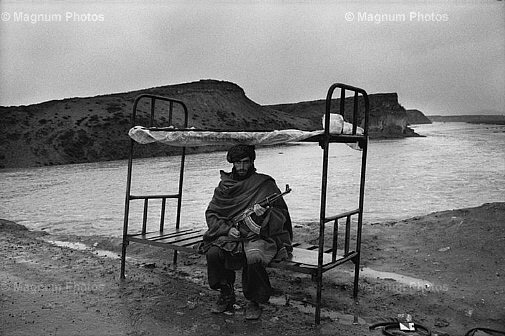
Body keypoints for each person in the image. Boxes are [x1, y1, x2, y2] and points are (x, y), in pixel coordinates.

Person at [200, 144, 293, 320]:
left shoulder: (265, 184)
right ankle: (226, 293)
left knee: (254, 257)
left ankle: (254, 301)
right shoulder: (224, 186)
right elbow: (211, 213)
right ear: (232, 164)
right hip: (231, 235)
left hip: (258, 235)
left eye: (245, 162)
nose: (242, 167)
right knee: (213, 252)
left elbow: (281, 215)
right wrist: (228, 229)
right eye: (238, 163)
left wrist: (264, 215)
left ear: (251, 162)